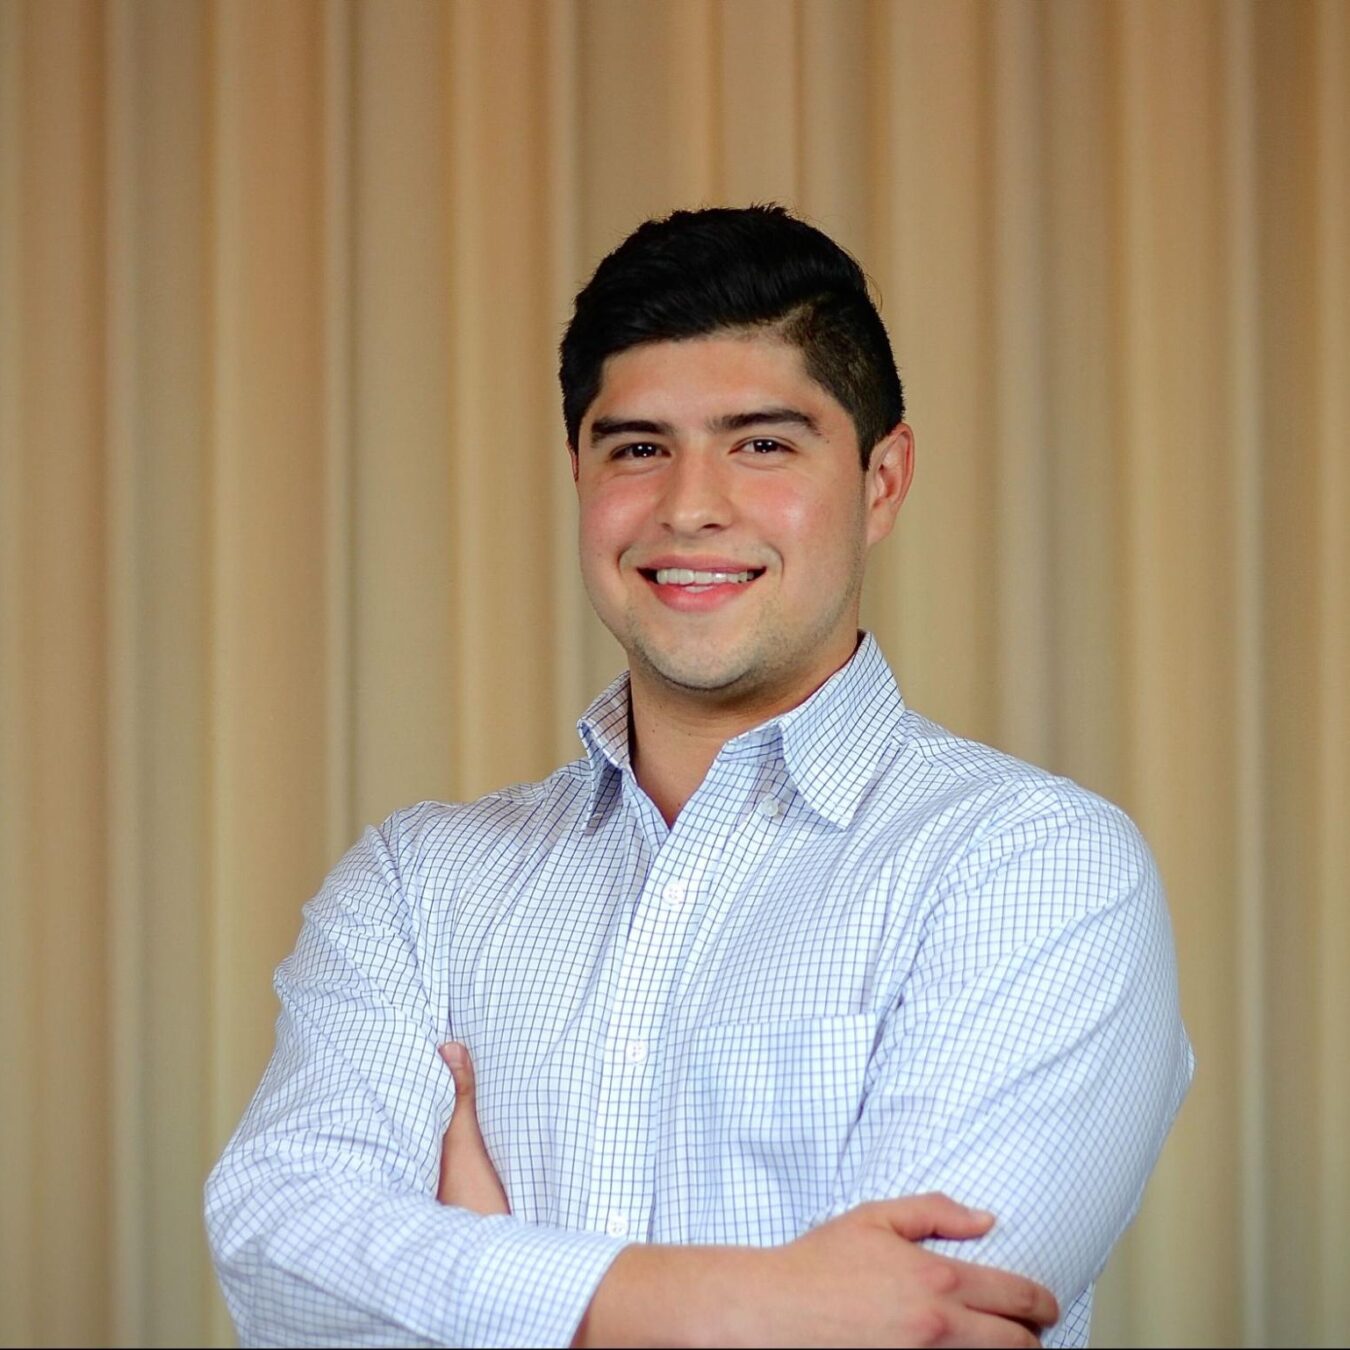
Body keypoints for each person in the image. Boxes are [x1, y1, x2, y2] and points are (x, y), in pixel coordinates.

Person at [205, 205, 1193, 1348]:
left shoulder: (1036, 868)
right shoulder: (417, 886)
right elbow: (275, 1243)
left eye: (762, 444)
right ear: (578, 476)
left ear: (882, 480)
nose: (688, 506)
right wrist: (720, 1302)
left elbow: (918, 1326)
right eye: (637, 448)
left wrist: (483, 1289)